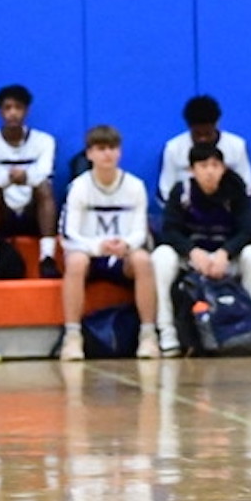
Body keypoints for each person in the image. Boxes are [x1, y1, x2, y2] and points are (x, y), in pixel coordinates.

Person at [152, 143, 251, 356]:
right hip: (192, 258)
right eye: (203, 165)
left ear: (223, 168)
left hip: (226, 257)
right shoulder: (182, 192)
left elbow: (248, 231)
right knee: (161, 257)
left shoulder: (235, 190)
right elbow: (170, 231)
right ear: (191, 170)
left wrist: (225, 253)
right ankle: (166, 331)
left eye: (215, 165)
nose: (209, 171)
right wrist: (193, 252)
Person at [57, 124, 160, 361]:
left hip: (122, 255)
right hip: (90, 254)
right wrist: (97, 247)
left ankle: (148, 336)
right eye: (101, 148)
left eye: (112, 148)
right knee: (76, 262)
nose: (107, 154)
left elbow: (140, 231)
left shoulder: (135, 186)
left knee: (143, 260)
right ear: (90, 153)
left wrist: (126, 245)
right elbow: (69, 234)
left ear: (120, 152)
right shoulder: (79, 187)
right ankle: (72, 337)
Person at [0, 83, 60, 279]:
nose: (12, 113)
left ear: (26, 111)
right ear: (0, 112)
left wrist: (25, 177)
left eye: (18, 108)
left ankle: (47, 258)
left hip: (33, 213)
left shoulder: (44, 141)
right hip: (3, 213)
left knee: (44, 187)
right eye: (7, 108)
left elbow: (45, 173)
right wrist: (19, 177)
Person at [159, 94, 251, 200]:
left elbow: (247, 187)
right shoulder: (173, 148)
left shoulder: (236, 146)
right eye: (197, 134)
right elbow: (166, 190)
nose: (203, 139)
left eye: (208, 133)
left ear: (216, 124)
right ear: (189, 126)